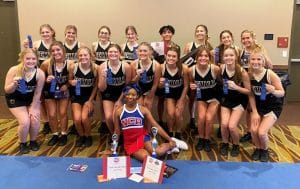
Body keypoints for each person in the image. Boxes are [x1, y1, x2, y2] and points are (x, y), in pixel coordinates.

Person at [114, 83, 188, 162]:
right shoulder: (118, 112)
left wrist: (169, 139)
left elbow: (156, 126)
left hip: (143, 138)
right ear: (124, 94)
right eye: (128, 94)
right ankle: (170, 148)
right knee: (148, 159)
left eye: (133, 94)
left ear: (138, 96)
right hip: (130, 143)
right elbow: (117, 131)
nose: (130, 97)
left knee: (158, 152)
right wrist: (113, 148)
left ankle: (173, 144)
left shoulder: (143, 110)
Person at [4, 48, 45, 153]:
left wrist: (33, 107)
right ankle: (22, 143)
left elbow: (37, 93)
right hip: (15, 98)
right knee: (25, 121)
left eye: (33, 59)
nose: (31, 61)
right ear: (22, 59)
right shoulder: (14, 70)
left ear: (37, 60)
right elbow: (7, 90)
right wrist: (14, 84)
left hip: (30, 99)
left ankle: (33, 141)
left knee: (35, 120)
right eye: (28, 59)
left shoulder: (40, 73)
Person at [248, 49, 285, 162]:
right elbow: (251, 95)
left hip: (272, 105)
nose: (256, 62)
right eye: (253, 59)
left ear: (263, 61)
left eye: (259, 59)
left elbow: (282, 92)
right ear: (250, 61)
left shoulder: (270, 74)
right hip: (258, 106)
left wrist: (273, 90)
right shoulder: (250, 75)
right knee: (253, 131)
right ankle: (258, 148)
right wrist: (254, 111)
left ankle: (264, 150)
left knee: (261, 132)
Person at [239, 30, 273, 143]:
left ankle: (261, 130)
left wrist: (262, 54)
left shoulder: (259, 49)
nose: (245, 40)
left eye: (248, 38)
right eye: (243, 38)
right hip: (248, 82)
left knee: (261, 105)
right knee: (249, 108)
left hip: (260, 83)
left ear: (253, 38)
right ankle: (250, 131)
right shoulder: (241, 51)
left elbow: (270, 66)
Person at [24, 24, 56, 135]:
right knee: (40, 98)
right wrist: (26, 47)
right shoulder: (37, 44)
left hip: (52, 74)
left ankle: (55, 121)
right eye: (43, 32)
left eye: (47, 32)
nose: (45, 34)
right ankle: (46, 121)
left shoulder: (56, 44)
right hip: (39, 74)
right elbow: (29, 55)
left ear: (52, 32)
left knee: (54, 98)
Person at [219, 47, 251, 157]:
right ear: (223, 57)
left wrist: (237, 87)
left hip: (239, 100)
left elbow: (249, 91)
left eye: (231, 55)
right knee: (224, 124)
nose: (229, 58)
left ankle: (236, 144)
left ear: (236, 56)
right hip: (226, 99)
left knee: (232, 126)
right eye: (226, 55)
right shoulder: (222, 68)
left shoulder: (242, 72)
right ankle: (225, 143)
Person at [189, 47, 221, 152]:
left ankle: (207, 139)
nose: (203, 58)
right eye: (201, 56)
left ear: (209, 57)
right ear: (196, 58)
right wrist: (191, 85)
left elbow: (221, 83)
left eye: (206, 56)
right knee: (201, 118)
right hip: (201, 96)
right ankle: (201, 138)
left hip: (214, 96)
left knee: (208, 118)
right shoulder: (192, 70)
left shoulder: (215, 69)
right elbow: (191, 83)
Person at [183, 24, 214, 131]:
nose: (199, 33)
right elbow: (183, 62)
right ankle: (192, 118)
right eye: (198, 31)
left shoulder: (210, 47)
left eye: (202, 31)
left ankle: (203, 120)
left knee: (202, 99)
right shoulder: (189, 45)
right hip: (192, 76)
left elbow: (212, 63)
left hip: (204, 78)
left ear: (206, 33)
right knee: (192, 98)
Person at [40, 41, 70, 146]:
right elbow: (39, 79)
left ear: (63, 51)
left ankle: (64, 133)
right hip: (50, 90)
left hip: (63, 91)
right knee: (52, 114)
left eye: (58, 50)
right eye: (53, 51)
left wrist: (67, 85)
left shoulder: (70, 64)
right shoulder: (46, 64)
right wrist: (46, 80)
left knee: (62, 113)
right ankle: (55, 134)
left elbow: (73, 79)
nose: (55, 52)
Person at [98, 44, 132, 134]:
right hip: (108, 94)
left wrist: (120, 100)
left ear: (120, 54)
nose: (113, 54)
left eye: (115, 52)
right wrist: (103, 78)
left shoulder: (126, 67)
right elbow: (101, 88)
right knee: (108, 117)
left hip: (121, 94)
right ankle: (114, 135)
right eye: (110, 52)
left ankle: (120, 135)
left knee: (116, 116)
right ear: (107, 54)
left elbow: (128, 86)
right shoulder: (102, 67)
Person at [68, 47, 98, 147]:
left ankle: (88, 136)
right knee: (77, 119)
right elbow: (69, 80)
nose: (83, 57)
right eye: (81, 55)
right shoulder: (74, 67)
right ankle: (81, 136)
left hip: (89, 96)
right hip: (76, 95)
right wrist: (71, 82)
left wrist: (90, 100)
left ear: (90, 56)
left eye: (85, 55)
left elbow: (96, 86)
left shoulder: (95, 68)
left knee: (84, 118)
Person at [158, 47, 189, 139]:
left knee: (178, 114)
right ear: (165, 56)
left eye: (174, 56)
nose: (171, 58)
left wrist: (181, 100)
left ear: (178, 58)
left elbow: (186, 86)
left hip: (181, 94)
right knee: (170, 114)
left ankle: (178, 133)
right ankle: (170, 133)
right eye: (169, 56)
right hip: (169, 94)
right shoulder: (161, 67)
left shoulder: (184, 68)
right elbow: (159, 87)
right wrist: (161, 84)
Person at [153, 25, 180, 127]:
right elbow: (154, 61)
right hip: (161, 75)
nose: (167, 34)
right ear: (161, 34)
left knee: (170, 100)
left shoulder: (176, 47)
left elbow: (178, 62)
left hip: (172, 78)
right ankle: (160, 120)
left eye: (169, 32)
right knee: (160, 99)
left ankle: (169, 121)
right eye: (164, 32)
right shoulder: (156, 46)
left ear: (172, 34)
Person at [92, 26, 113, 133]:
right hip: (99, 72)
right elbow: (93, 58)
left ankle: (111, 121)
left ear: (109, 35)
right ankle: (104, 121)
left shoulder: (112, 45)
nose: (103, 35)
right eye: (101, 33)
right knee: (101, 99)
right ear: (98, 34)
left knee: (109, 97)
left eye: (106, 33)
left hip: (110, 72)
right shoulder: (94, 45)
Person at [131, 42, 160, 110]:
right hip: (138, 89)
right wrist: (137, 76)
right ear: (137, 52)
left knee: (147, 107)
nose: (142, 53)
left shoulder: (156, 65)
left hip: (150, 89)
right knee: (139, 107)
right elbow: (132, 82)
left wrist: (150, 95)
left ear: (150, 52)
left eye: (145, 51)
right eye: (140, 51)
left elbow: (155, 83)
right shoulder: (133, 64)